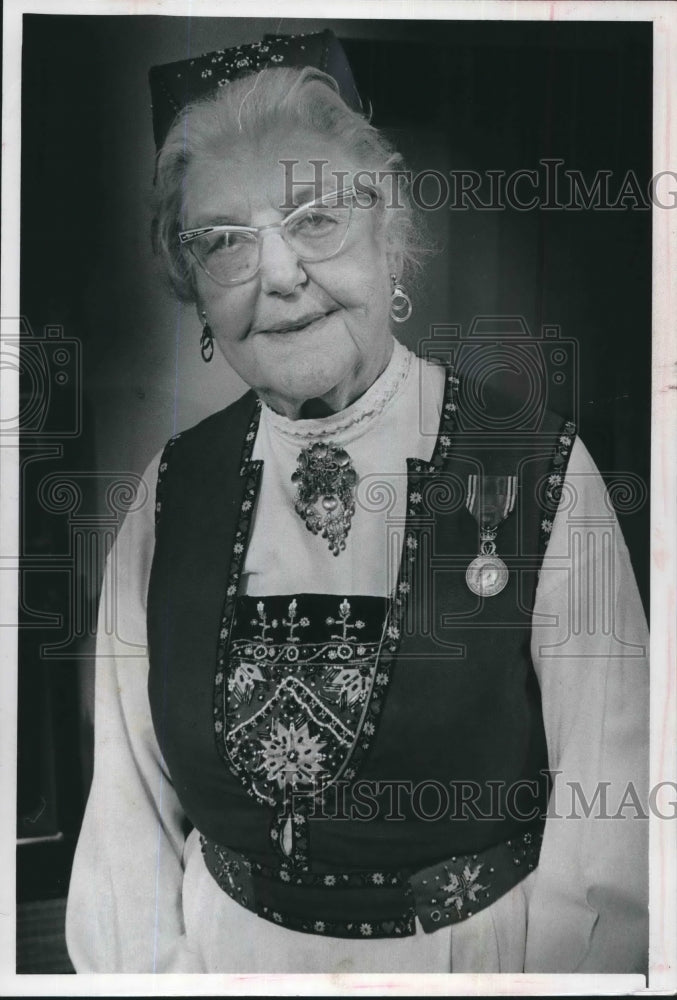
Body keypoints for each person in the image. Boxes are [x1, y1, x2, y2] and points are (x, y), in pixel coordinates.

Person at [65, 39, 649, 974]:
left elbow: (608, 836)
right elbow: (126, 822)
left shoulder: (540, 470)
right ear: (195, 291)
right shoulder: (169, 493)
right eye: (224, 241)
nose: (282, 274)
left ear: (392, 233)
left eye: (317, 218)